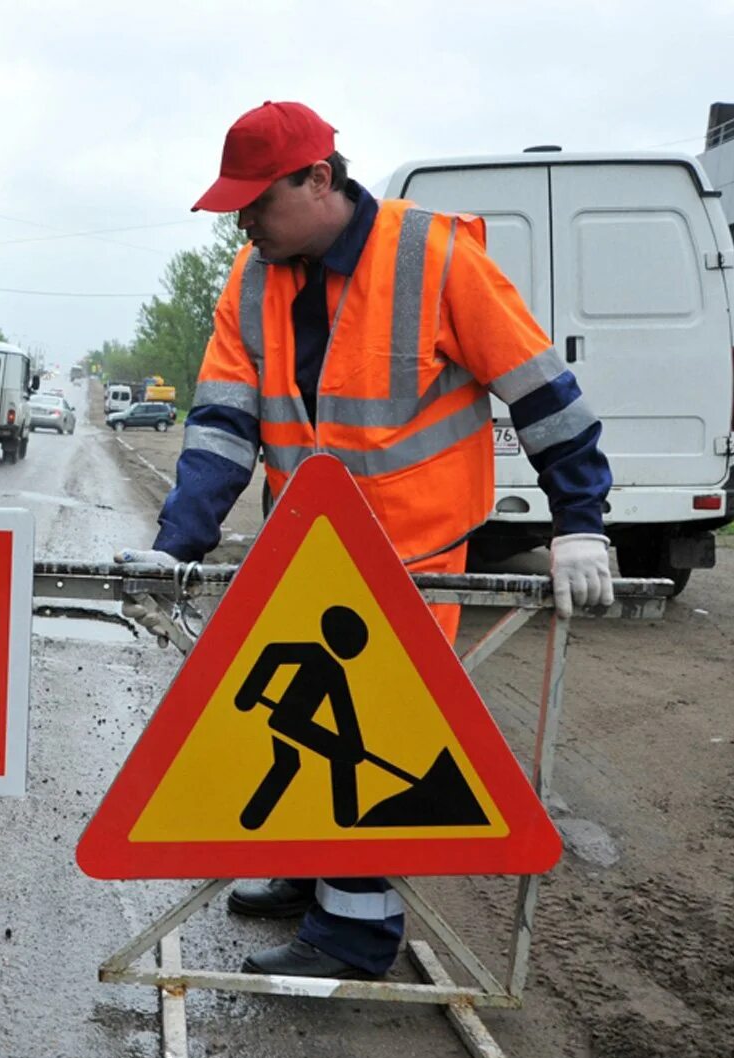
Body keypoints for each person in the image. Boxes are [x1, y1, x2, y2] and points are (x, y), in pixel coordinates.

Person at [116, 101, 615, 979]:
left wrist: (580, 523)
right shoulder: (251, 278)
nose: (244, 222)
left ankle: (354, 940)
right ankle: (312, 873)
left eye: (256, 202)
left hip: (414, 560)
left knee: (374, 739)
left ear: (319, 180)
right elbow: (223, 429)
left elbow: (542, 393)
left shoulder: (436, 258)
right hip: (307, 558)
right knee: (302, 722)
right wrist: (177, 546)